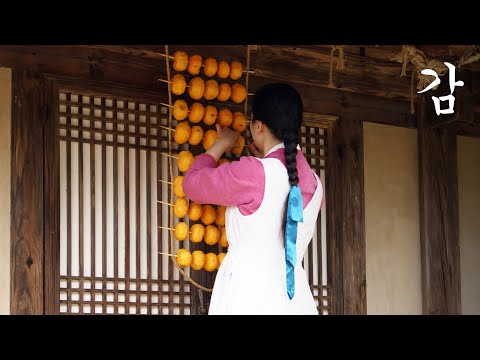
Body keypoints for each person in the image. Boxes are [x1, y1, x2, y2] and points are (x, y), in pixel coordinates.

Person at [183, 83, 323, 315]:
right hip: (295, 299)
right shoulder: (316, 183)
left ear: (258, 126)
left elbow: (192, 184)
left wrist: (221, 143)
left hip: (248, 296)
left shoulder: (253, 172)